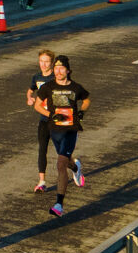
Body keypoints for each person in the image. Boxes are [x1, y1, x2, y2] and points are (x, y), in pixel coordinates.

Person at [42, 55, 91, 217]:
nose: (58, 71)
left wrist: (82, 111)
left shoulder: (76, 88)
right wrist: (50, 115)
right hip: (55, 130)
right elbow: (37, 104)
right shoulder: (48, 87)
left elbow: (86, 99)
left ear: (68, 70)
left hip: (70, 130)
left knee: (60, 165)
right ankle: (76, 168)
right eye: (56, 68)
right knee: (65, 160)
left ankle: (59, 205)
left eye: (61, 68)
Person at [25, 49, 58, 193]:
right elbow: (30, 89)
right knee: (42, 149)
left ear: (52, 63)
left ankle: (75, 166)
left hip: (57, 120)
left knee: (62, 153)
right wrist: (29, 98)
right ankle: (42, 181)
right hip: (44, 119)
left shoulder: (56, 77)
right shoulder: (37, 77)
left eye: (46, 62)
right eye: (41, 61)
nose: (43, 64)